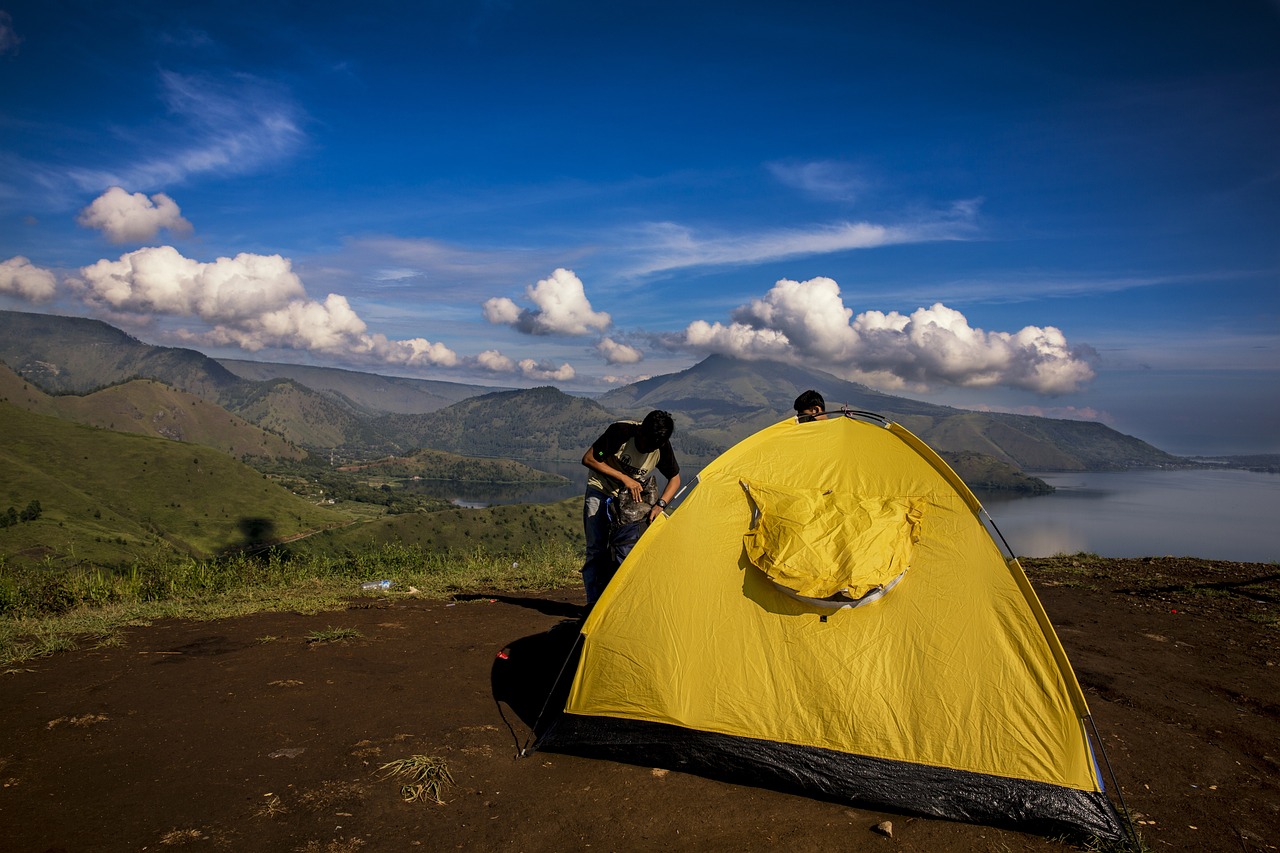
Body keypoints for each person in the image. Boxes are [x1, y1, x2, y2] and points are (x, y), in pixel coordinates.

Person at [579, 410, 681, 606]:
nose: (647, 449)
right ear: (641, 431)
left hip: (629, 504)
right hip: (601, 490)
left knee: (625, 551)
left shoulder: (661, 446)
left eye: (653, 447)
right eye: (645, 443)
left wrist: (660, 505)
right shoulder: (621, 432)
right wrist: (624, 478)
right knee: (596, 549)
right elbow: (590, 459)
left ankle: (616, 603)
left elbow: (675, 479)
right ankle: (593, 605)